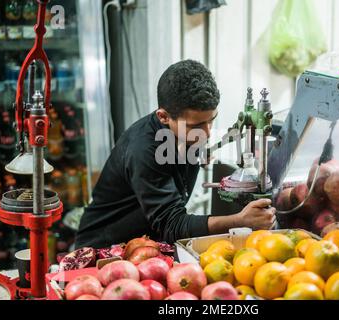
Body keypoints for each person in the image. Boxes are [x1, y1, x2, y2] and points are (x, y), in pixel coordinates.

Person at [75, 60, 276, 249]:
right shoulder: (144, 150)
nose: (206, 133)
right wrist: (240, 221)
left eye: (211, 120)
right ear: (163, 117)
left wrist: (195, 156)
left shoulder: (185, 133)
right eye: (196, 125)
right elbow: (171, 224)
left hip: (147, 245)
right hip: (104, 250)